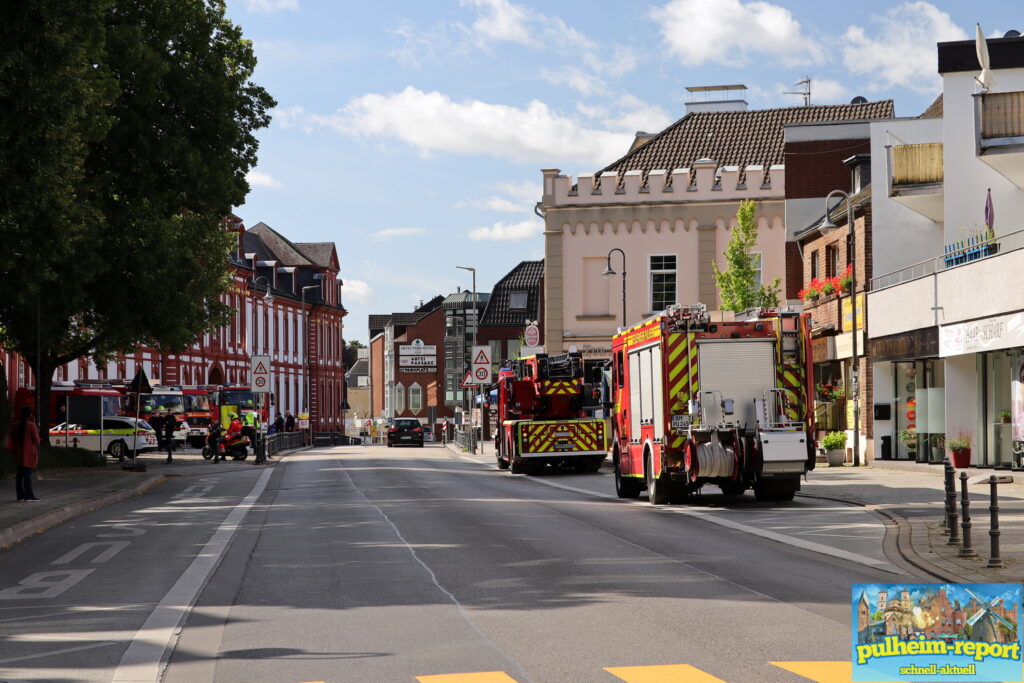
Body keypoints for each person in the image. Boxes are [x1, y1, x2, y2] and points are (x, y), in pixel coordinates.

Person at [8, 407, 40, 502]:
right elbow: (36, 440)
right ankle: (29, 496)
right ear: (30, 415)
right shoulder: (31, 425)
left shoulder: (16, 425)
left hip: (19, 454)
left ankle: (20, 496)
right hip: (29, 454)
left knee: (19, 476)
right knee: (27, 476)